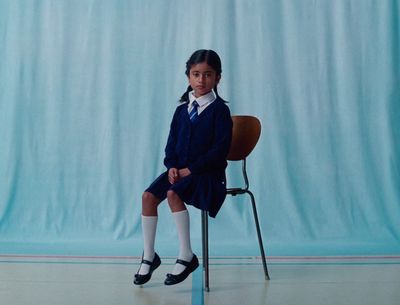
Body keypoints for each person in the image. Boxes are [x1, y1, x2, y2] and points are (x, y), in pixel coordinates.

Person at [134, 49, 233, 286]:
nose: (201, 80)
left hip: (208, 175)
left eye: (208, 75)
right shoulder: (181, 110)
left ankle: (186, 255)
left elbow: (219, 151)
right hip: (180, 172)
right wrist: (171, 166)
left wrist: (192, 169)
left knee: (172, 193)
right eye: (196, 74)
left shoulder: (220, 111)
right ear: (188, 76)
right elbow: (171, 146)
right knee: (148, 196)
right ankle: (149, 255)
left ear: (218, 78)